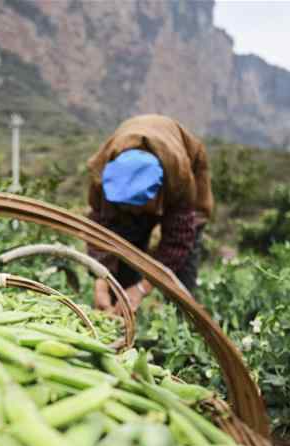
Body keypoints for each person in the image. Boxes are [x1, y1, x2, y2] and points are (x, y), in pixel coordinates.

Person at [85, 114, 213, 315]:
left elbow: (177, 242)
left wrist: (141, 289)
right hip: (129, 165)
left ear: (159, 192)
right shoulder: (102, 176)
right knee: (125, 251)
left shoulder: (180, 178)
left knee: (183, 274)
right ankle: (119, 313)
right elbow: (99, 229)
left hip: (185, 165)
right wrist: (101, 281)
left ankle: (184, 323)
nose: (134, 211)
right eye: (127, 206)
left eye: (139, 206)